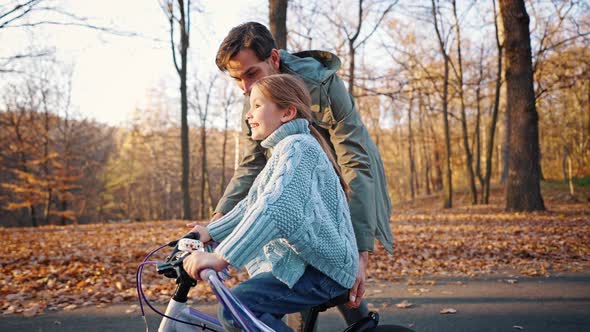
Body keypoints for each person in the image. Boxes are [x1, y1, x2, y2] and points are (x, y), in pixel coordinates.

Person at [189, 21, 394, 325]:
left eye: (250, 74)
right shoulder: (259, 105)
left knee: (333, 265)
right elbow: (252, 172)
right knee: (304, 268)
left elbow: (355, 161)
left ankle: (362, 324)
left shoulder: (322, 85)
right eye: (237, 79)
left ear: (273, 59)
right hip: (296, 181)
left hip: (343, 177)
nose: (245, 88)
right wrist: (217, 223)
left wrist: (360, 248)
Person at [183, 74, 359, 332]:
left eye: (257, 105)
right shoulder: (285, 149)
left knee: (237, 309)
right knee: (242, 309)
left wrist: (222, 257)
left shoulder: (298, 147)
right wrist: (211, 231)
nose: (248, 114)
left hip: (323, 269)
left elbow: (276, 209)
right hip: (313, 263)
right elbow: (253, 204)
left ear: (287, 113)